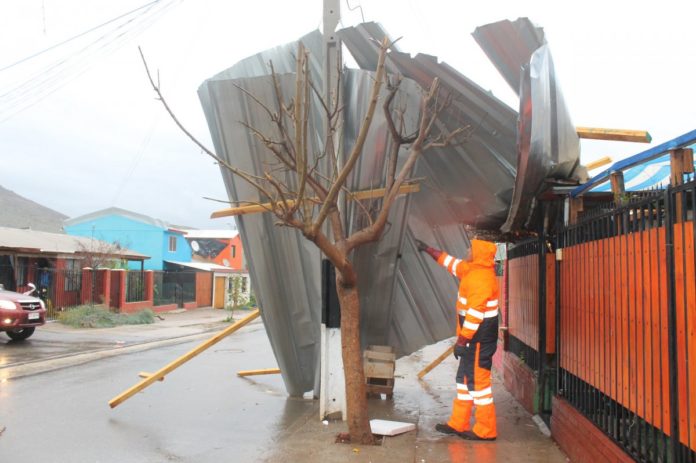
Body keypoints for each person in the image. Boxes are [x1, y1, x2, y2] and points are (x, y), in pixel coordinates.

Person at [416, 237, 499, 441]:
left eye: (471, 248)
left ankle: (486, 430)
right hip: (473, 339)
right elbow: (451, 264)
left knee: (479, 385)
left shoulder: (481, 280)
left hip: (479, 339)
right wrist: (429, 249)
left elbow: (475, 315)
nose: (467, 249)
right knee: (463, 381)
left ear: (478, 254)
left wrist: (462, 341)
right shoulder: (472, 269)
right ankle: (458, 423)